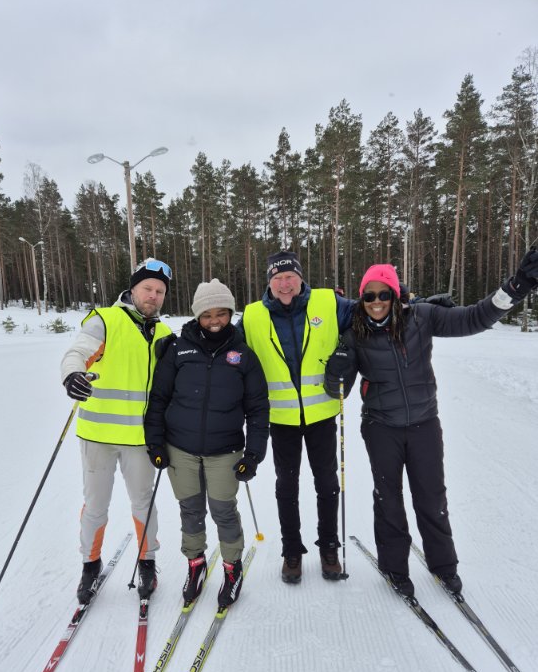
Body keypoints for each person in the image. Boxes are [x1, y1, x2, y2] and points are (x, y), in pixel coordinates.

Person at [324, 252, 538, 597]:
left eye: (383, 294)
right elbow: (337, 391)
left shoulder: (422, 317)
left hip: (424, 424)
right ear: (361, 299)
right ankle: (395, 569)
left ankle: (444, 566)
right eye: (368, 296)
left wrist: (514, 288)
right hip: (381, 427)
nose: (376, 302)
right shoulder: (354, 333)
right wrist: (336, 368)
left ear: (395, 295)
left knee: (431, 498)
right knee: (388, 500)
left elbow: (475, 318)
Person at [144, 278, 269, 609]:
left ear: (230, 313)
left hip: (225, 451)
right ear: (196, 315)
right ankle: (196, 564)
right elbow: (158, 399)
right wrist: (154, 443)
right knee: (190, 510)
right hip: (179, 449)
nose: (215, 321)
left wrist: (253, 454)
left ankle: (231, 567)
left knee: (224, 511)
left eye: (222, 314)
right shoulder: (177, 350)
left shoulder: (243, 355)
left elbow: (258, 409)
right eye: (207, 314)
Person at [61, 258, 173, 604]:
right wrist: (72, 375)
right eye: (147, 288)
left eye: (159, 291)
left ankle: (148, 561)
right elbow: (77, 353)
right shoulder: (105, 320)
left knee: (144, 504)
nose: (152, 296)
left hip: (140, 439)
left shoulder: (165, 335)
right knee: (96, 505)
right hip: (99, 437)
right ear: (133, 288)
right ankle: (90, 565)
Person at [240, 251, 355, 584]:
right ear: (269, 283)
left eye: (290, 277)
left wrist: (346, 347)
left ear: (301, 277)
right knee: (286, 486)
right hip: (282, 419)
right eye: (277, 278)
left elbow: (365, 318)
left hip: (321, 413)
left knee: (327, 483)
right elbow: (226, 347)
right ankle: (292, 551)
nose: (284, 284)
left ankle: (329, 547)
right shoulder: (252, 316)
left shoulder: (328, 302)